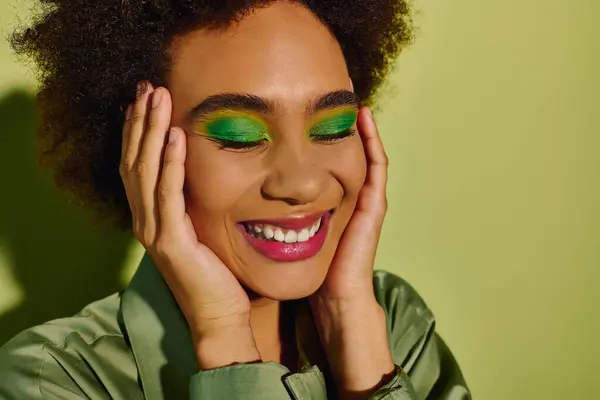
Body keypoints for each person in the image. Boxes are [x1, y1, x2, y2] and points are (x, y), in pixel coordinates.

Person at [0, 0, 470, 398]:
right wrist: (221, 330)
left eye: (333, 128)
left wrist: (354, 329)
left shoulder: (393, 319)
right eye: (240, 135)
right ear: (142, 148)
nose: (303, 183)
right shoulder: (54, 378)